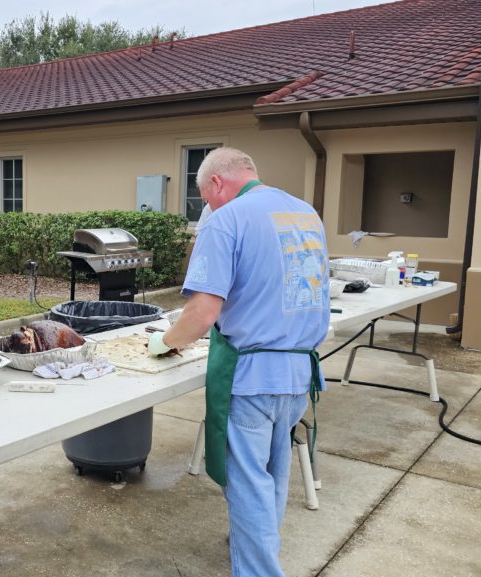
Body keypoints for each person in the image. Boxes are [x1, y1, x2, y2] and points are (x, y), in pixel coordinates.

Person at [148, 147, 328, 577]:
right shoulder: (306, 214)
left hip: (251, 378)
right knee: (272, 477)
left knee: (247, 485)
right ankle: (258, 547)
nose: (207, 209)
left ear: (215, 183)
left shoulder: (227, 219)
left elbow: (202, 314)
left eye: (205, 200)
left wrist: (164, 342)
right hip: (297, 374)